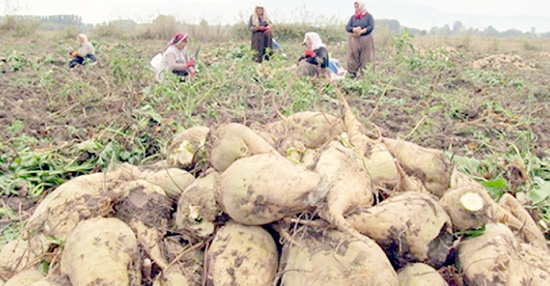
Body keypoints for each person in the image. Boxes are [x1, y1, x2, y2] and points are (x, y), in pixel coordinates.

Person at [346, 1, 375, 78]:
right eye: (355, 7)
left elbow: (371, 26)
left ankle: (366, 76)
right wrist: (354, 29)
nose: (357, 8)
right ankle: (352, 76)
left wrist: (363, 30)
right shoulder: (353, 18)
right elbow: (348, 27)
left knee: (366, 58)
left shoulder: (368, 17)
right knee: (352, 57)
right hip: (354, 39)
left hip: (366, 39)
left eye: (358, 7)